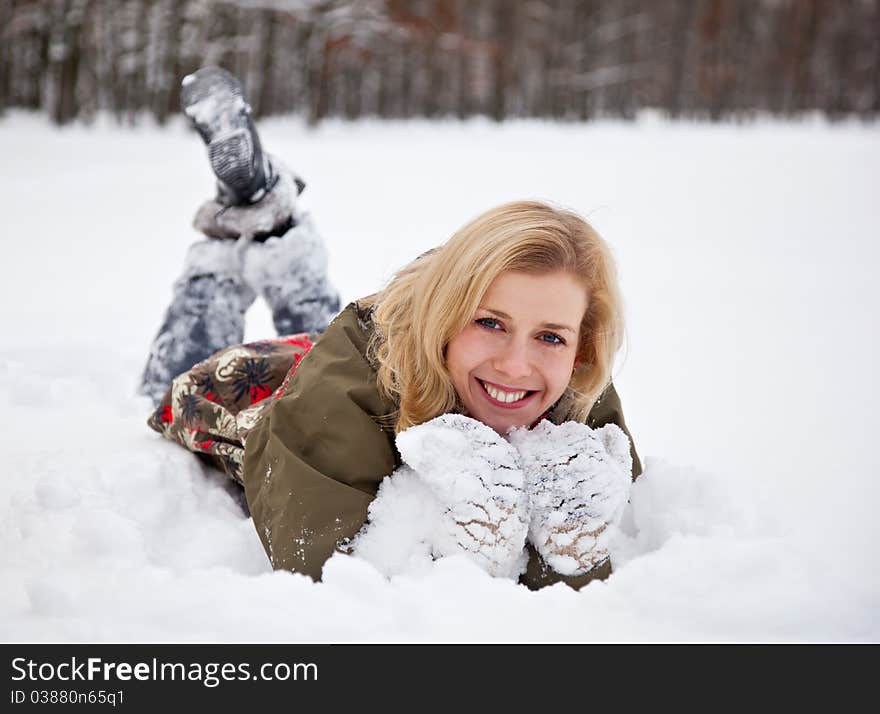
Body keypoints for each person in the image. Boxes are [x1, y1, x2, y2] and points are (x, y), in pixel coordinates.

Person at [143, 66, 642, 591]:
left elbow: (610, 574)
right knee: (191, 359)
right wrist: (479, 545)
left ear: (582, 348)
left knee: (318, 320)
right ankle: (237, 240)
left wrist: (573, 547)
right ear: (447, 314)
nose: (517, 365)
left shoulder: (578, 380)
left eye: (550, 337)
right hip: (247, 390)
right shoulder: (342, 391)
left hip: (359, 354)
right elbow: (331, 576)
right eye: (490, 322)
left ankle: (274, 218)